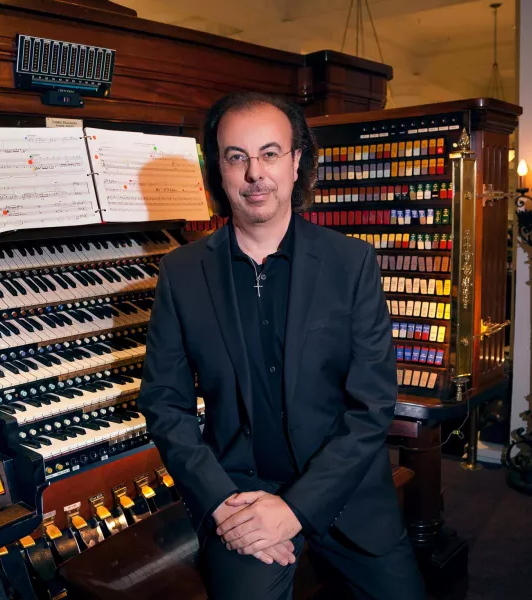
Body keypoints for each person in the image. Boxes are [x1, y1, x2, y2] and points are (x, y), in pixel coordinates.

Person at [136, 92, 426, 600]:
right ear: (218, 171)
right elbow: (165, 403)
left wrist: (294, 510)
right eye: (236, 157)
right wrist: (221, 502)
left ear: (296, 164)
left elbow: (371, 407)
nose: (254, 174)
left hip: (346, 492)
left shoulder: (351, 263)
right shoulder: (180, 275)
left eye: (270, 154)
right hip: (240, 497)